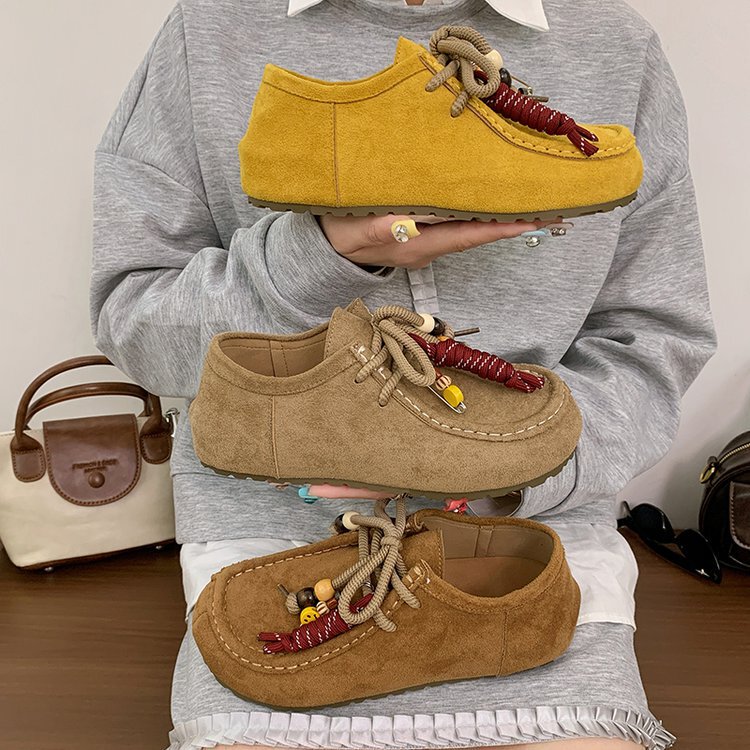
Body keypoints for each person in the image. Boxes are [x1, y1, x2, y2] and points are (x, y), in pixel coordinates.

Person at [89, 1, 715, 748]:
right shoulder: (209, 30)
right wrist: (320, 256)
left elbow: (653, 338)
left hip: (530, 543)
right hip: (273, 550)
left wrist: (509, 464)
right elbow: (134, 322)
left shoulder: (614, 44)